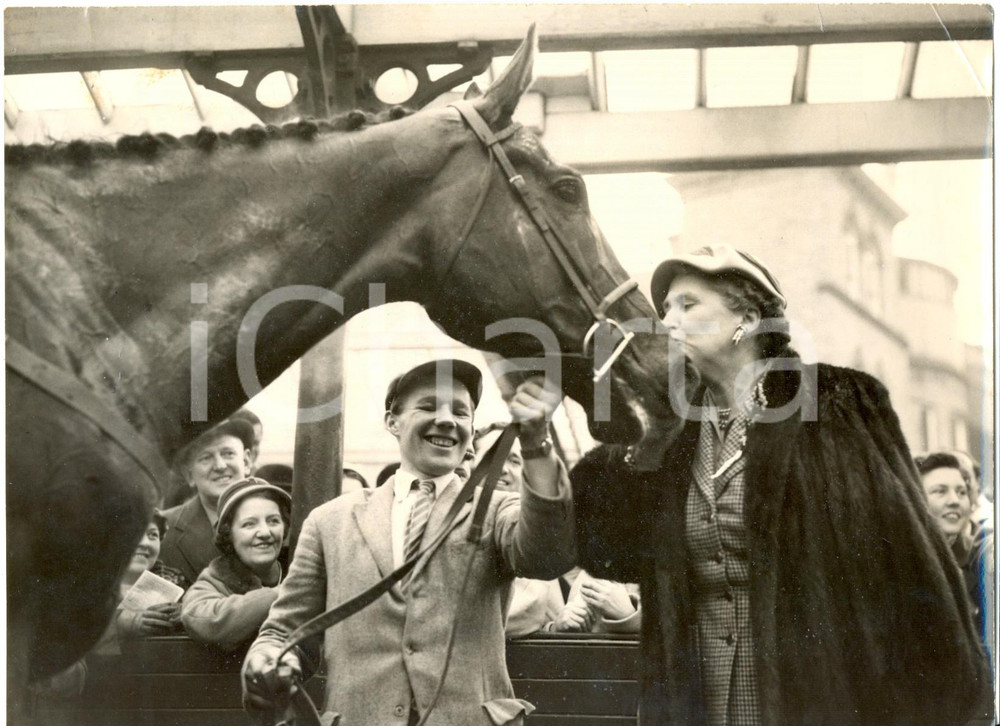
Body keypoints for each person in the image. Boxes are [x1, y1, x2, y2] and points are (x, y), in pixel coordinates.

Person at [567, 245, 988, 725]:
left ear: (746, 317)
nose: (667, 322)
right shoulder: (674, 428)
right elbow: (605, 551)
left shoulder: (836, 403)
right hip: (696, 697)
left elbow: (909, 562)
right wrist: (635, 440)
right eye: (664, 311)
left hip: (814, 696)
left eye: (688, 305)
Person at [243, 359, 574, 725]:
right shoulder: (329, 521)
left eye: (461, 413)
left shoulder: (496, 511)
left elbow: (547, 558)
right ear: (392, 422)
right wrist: (271, 657)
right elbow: (286, 630)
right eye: (428, 406)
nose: (447, 419)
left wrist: (536, 444)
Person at [181, 478, 291, 651]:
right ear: (228, 534)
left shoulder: (299, 568)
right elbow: (202, 618)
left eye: (273, 521)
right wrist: (285, 592)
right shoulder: (213, 581)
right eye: (249, 524)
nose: (264, 532)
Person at [160, 418, 256, 583]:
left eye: (228, 454)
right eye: (205, 458)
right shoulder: (162, 529)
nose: (220, 466)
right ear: (189, 475)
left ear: (246, 462)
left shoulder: (279, 522)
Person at [916, 452, 993, 644]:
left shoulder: (979, 558)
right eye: (940, 491)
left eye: (961, 492)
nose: (954, 501)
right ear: (914, 497)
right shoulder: (901, 566)